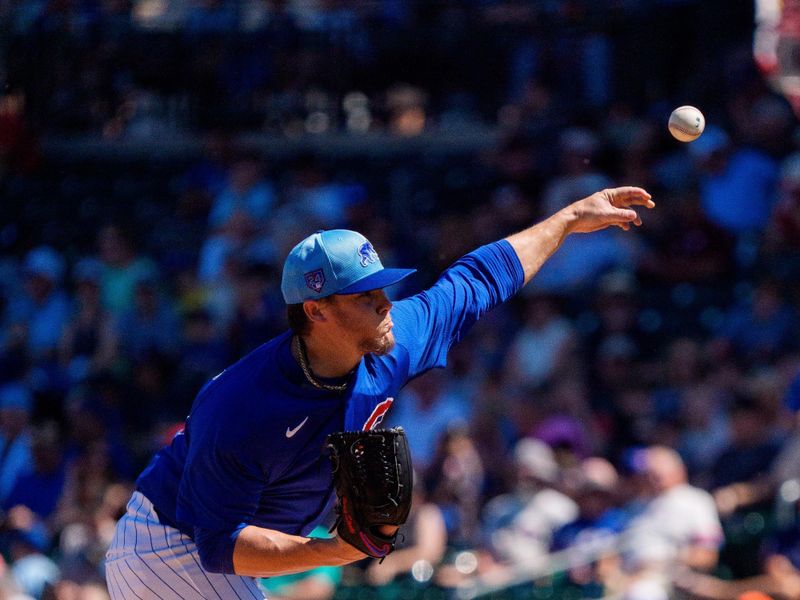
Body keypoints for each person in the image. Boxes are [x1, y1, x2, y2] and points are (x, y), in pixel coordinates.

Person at [104, 186, 653, 598]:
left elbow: (480, 279)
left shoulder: (390, 339)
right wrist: (332, 550)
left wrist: (567, 219)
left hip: (224, 554)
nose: (385, 302)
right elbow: (220, 546)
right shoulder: (243, 405)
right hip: (169, 548)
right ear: (316, 311)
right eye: (365, 295)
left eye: (382, 287)